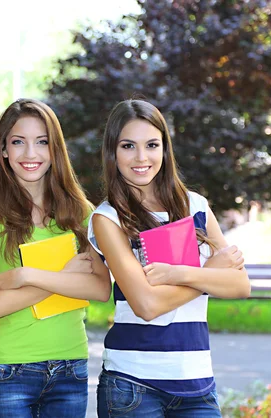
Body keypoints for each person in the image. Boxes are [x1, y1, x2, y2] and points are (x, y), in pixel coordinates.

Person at [88, 99, 251, 417]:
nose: (141, 157)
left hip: (197, 384)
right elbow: (146, 305)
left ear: (165, 148)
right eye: (128, 146)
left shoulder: (197, 206)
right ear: (112, 152)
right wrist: (208, 274)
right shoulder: (107, 218)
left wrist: (179, 274)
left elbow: (240, 285)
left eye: (151, 144)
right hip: (133, 385)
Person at [0, 98, 112, 418]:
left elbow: (101, 289)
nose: (30, 154)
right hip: (8, 372)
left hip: (70, 369)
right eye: (18, 142)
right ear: (3, 149)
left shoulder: (81, 212)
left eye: (41, 142)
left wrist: (28, 275)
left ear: (54, 149)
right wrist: (64, 275)